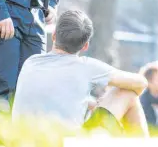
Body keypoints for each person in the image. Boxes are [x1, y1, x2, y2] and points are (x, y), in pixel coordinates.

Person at [12, 10, 149, 136]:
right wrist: (108, 94)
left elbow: (53, 96)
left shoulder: (30, 62)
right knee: (128, 93)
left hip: (24, 140)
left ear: (54, 35)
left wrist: (92, 103)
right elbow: (141, 83)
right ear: (85, 46)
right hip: (69, 142)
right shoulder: (87, 66)